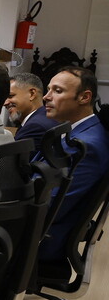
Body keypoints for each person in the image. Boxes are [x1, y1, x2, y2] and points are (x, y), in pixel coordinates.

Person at [37, 67, 109, 261]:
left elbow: (50, 206)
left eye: (57, 91)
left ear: (84, 97)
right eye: (48, 89)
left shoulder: (87, 146)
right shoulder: (78, 130)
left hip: (40, 241)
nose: (46, 97)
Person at [6, 72, 57, 147]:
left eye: (10, 96)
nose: (5, 103)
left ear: (32, 94)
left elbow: (18, 158)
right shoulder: (44, 116)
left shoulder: (35, 126)